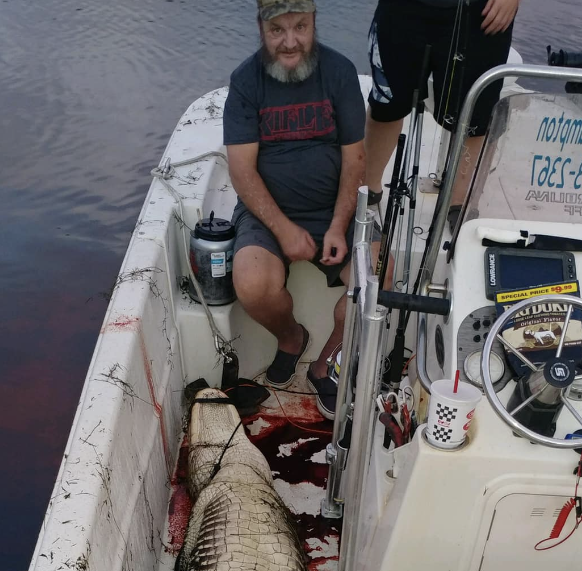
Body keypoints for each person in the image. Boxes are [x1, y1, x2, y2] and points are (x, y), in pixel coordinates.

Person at [223, 0, 378, 420]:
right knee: (251, 284)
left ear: (314, 24)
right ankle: (292, 338)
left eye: (301, 27)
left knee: (378, 278)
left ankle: (326, 364)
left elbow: (355, 161)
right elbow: (241, 171)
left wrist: (339, 224)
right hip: (266, 213)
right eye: (277, 31)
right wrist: (283, 228)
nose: (290, 42)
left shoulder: (340, 72)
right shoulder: (245, 81)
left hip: (334, 208)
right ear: (260, 28)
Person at [365, 0, 521, 228]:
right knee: (387, 103)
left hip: (483, 11)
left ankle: (456, 203)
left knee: (475, 114)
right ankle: (367, 190)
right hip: (401, 10)